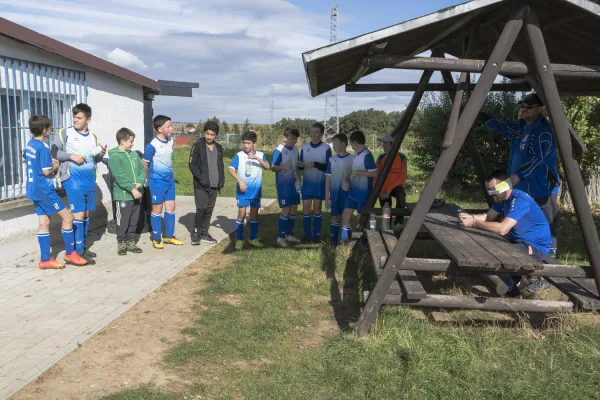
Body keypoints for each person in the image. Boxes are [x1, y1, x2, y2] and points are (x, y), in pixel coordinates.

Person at [478, 93, 559, 259]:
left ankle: (548, 264)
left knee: (545, 226)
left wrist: (519, 175)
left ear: (540, 109)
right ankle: (522, 258)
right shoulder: (521, 127)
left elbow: (539, 159)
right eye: (522, 106)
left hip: (541, 187)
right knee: (520, 221)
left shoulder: (545, 132)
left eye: (529, 107)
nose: (524, 110)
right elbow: (503, 124)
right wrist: (481, 116)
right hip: (520, 185)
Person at [459, 170, 552, 297]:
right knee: (488, 249)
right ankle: (517, 283)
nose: (491, 194)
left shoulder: (519, 200)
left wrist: (474, 223)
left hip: (535, 247)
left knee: (498, 258)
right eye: (489, 191)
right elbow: (489, 216)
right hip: (518, 241)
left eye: (493, 190)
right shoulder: (502, 198)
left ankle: (513, 293)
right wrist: (470, 217)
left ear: (505, 186)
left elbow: (503, 229)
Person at [25, 115, 87, 269]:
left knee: (44, 222)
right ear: (44, 130)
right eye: (49, 128)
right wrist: (56, 164)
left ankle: (45, 259)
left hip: (33, 189)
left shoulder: (30, 144)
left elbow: (24, 158)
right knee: (68, 217)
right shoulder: (42, 147)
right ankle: (70, 253)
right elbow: (47, 172)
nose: (51, 130)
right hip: (45, 191)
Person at [52, 103, 106, 265]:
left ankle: (82, 247)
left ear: (88, 119)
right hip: (72, 180)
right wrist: (71, 156)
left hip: (89, 180)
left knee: (87, 215)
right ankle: (75, 252)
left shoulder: (93, 136)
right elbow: (54, 152)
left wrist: (100, 155)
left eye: (79, 117)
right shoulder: (64, 133)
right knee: (78, 215)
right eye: (74, 116)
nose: (75, 120)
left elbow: (94, 159)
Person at [143, 115, 183, 249]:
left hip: (169, 181)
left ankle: (169, 236)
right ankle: (156, 238)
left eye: (171, 125)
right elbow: (145, 164)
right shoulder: (152, 146)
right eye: (168, 126)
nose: (171, 128)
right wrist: (147, 180)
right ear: (160, 129)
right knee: (157, 210)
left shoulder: (170, 141)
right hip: (157, 183)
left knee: (171, 207)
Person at [229, 130, 270, 250]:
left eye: (248, 143)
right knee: (242, 213)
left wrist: (256, 158)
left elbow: (268, 167)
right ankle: (239, 239)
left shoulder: (261, 155)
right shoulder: (239, 155)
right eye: (244, 143)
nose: (245, 145)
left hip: (255, 191)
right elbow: (231, 169)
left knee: (254, 215)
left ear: (254, 144)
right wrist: (240, 181)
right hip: (242, 191)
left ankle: (252, 239)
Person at [107, 128, 146, 256]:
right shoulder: (114, 157)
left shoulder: (134, 154)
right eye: (131, 141)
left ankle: (131, 242)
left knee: (134, 221)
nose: (132, 144)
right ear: (122, 141)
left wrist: (140, 183)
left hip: (136, 194)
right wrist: (132, 189)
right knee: (122, 221)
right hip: (123, 196)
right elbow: (120, 177)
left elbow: (142, 170)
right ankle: (121, 243)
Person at [188, 121, 225, 245]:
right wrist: (202, 179)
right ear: (204, 133)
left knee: (209, 210)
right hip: (201, 185)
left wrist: (221, 180)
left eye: (212, 134)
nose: (209, 137)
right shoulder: (197, 146)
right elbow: (192, 165)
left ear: (216, 135)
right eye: (207, 134)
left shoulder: (219, 148)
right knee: (201, 209)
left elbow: (220, 165)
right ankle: (196, 233)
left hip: (214, 185)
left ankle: (204, 233)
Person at [340, 131, 378, 243]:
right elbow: (352, 170)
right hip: (352, 192)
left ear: (355, 143)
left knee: (360, 221)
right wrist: (344, 180)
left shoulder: (367, 155)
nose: (351, 146)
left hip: (363, 193)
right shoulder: (356, 154)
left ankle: (361, 243)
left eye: (351, 144)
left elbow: (374, 173)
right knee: (346, 215)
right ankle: (344, 240)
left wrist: (359, 172)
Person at [298, 122, 332, 242]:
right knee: (306, 209)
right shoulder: (305, 147)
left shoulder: (326, 148)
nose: (313, 135)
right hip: (307, 184)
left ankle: (316, 236)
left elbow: (329, 166)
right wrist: (301, 166)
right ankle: (307, 236)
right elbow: (300, 166)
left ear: (321, 134)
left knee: (317, 209)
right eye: (312, 132)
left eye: (316, 133)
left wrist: (316, 164)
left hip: (319, 184)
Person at [272, 127, 302, 248]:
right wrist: (283, 167)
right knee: (286, 210)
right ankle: (281, 237)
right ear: (285, 138)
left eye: (295, 139)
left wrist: (298, 173)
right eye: (291, 138)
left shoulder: (295, 149)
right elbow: (273, 167)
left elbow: (296, 164)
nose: (293, 141)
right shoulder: (279, 150)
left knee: (294, 209)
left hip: (294, 183)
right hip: (283, 185)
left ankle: (290, 234)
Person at [325, 133, 354, 245]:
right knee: (335, 217)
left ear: (343, 144)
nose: (333, 147)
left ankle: (346, 242)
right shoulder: (332, 159)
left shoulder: (352, 159)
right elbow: (328, 179)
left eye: (335, 145)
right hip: (334, 194)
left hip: (347, 195)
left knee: (346, 219)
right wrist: (327, 196)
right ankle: (333, 242)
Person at [376, 132, 408, 226]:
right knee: (386, 207)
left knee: (401, 196)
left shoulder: (402, 158)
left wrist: (389, 190)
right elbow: (376, 176)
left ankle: (398, 223)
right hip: (383, 188)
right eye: (383, 143)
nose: (383, 145)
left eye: (385, 143)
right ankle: (387, 226)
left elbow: (402, 178)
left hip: (395, 186)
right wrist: (381, 192)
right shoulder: (380, 157)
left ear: (392, 145)